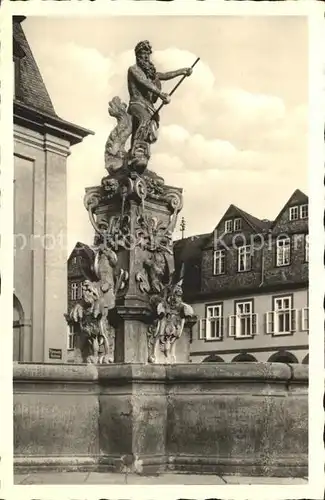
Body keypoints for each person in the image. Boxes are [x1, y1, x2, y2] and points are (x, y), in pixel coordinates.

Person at [127, 40, 192, 146]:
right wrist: (160, 94)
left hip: (148, 106)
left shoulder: (150, 74)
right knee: (144, 120)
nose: (147, 57)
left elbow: (165, 75)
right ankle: (137, 149)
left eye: (148, 54)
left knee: (149, 127)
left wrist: (182, 71)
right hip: (137, 104)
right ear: (138, 55)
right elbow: (144, 82)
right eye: (144, 54)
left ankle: (139, 148)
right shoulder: (134, 69)